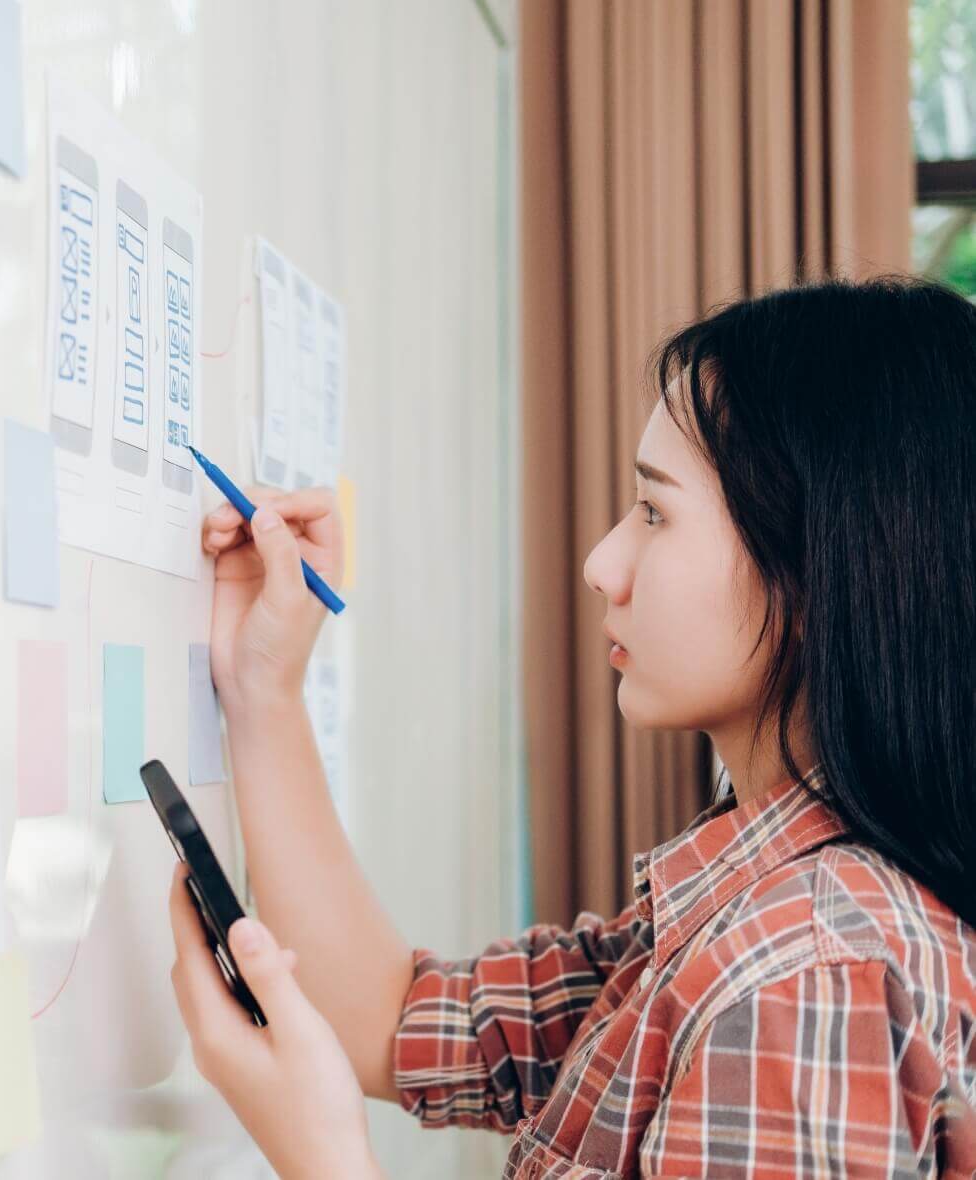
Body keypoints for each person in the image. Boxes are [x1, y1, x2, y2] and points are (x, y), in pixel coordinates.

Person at [168, 276, 976, 1178]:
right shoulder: (739, 911)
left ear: (814, 581)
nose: (601, 563)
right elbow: (392, 1018)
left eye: (656, 512)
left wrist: (322, 1157)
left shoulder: (805, 976)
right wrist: (264, 690)